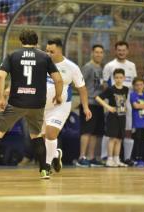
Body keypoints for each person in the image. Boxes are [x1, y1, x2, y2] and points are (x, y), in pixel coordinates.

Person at [0, 29, 63, 179]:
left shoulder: (13, 55)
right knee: (37, 135)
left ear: (21, 41)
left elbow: (0, 76)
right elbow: (58, 79)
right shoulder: (45, 57)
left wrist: (1, 98)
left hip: (17, 102)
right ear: (36, 42)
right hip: (37, 103)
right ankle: (44, 170)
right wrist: (58, 96)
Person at [44, 38, 92, 173]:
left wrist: (86, 107)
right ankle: (55, 155)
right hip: (42, 106)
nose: (48, 54)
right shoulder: (42, 63)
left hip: (61, 106)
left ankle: (46, 166)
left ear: (60, 50)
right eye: (46, 51)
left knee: (51, 134)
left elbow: (82, 89)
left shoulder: (71, 67)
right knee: (44, 138)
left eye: (51, 51)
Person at [102, 41, 137, 166]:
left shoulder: (132, 65)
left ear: (127, 51)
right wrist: (108, 105)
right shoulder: (109, 66)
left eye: (124, 50)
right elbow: (105, 84)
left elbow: (134, 84)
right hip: (113, 103)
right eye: (119, 50)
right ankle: (107, 157)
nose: (121, 52)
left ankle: (123, 158)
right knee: (111, 132)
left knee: (125, 131)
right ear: (115, 51)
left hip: (127, 102)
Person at [76, 44, 105, 167]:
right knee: (87, 131)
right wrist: (84, 102)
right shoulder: (88, 67)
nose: (98, 54)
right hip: (89, 103)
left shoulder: (100, 68)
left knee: (95, 132)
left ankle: (91, 157)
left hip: (99, 104)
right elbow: (79, 83)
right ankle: (81, 156)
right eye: (96, 52)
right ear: (92, 53)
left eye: (101, 52)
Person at [96, 68, 129, 167]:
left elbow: (124, 101)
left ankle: (116, 158)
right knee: (112, 138)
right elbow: (98, 98)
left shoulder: (126, 89)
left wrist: (125, 108)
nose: (118, 79)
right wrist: (108, 107)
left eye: (120, 77)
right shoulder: (110, 89)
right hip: (113, 117)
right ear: (114, 78)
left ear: (124, 78)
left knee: (119, 139)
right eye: (116, 78)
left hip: (122, 116)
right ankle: (109, 159)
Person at [130, 77, 144, 167]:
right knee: (137, 141)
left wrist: (141, 105)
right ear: (134, 86)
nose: (139, 86)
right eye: (137, 85)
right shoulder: (133, 95)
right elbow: (135, 106)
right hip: (137, 123)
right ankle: (136, 159)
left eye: (141, 84)